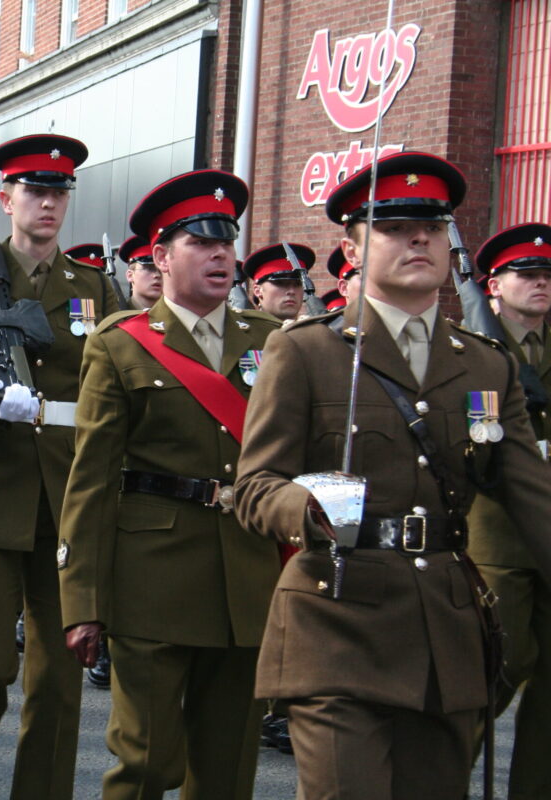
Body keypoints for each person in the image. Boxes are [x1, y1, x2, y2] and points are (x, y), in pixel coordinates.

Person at [234, 151, 551, 800]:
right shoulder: (306, 352)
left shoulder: (486, 368)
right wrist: (311, 506)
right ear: (353, 243)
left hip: (446, 629)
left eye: (432, 227)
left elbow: (530, 494)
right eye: (394, 226)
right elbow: (256, 487)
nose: (418, 239)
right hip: (338, 617)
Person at [58, 170, 282, 800]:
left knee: (227, 769)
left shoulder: (270, 342)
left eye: (226, 243)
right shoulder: (121, 345)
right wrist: (83, 602)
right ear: (159, 256)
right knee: (148, 763)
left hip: (248, 577)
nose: (219, 255)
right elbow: (91, 481)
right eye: (199, 242)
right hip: (153, 576)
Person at [0, 133, 121, 800]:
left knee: (60, 679)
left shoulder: (95, 289)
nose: (48, 202)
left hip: (65, 503)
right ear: (6, 200)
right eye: (35, 191)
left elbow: (116, 396)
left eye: (59, 191)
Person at [467, 222, 551, 799]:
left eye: (548, 275)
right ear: (494, 286)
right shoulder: (475, 348)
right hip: (499, 533)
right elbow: (479, 444)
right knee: (503, 662)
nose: (542, 283)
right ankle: (439, 769)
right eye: (528, 274)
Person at [244, 242, 315, 322]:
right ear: (257, 290)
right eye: (281, 283)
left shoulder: (313, 332)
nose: (291, 291)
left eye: (298, 284)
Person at [120, 235, 164, 309]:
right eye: (149, 268)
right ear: (130, 276)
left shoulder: (178, 317)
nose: (157, 275)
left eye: (162, 269)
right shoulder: (116, 317)